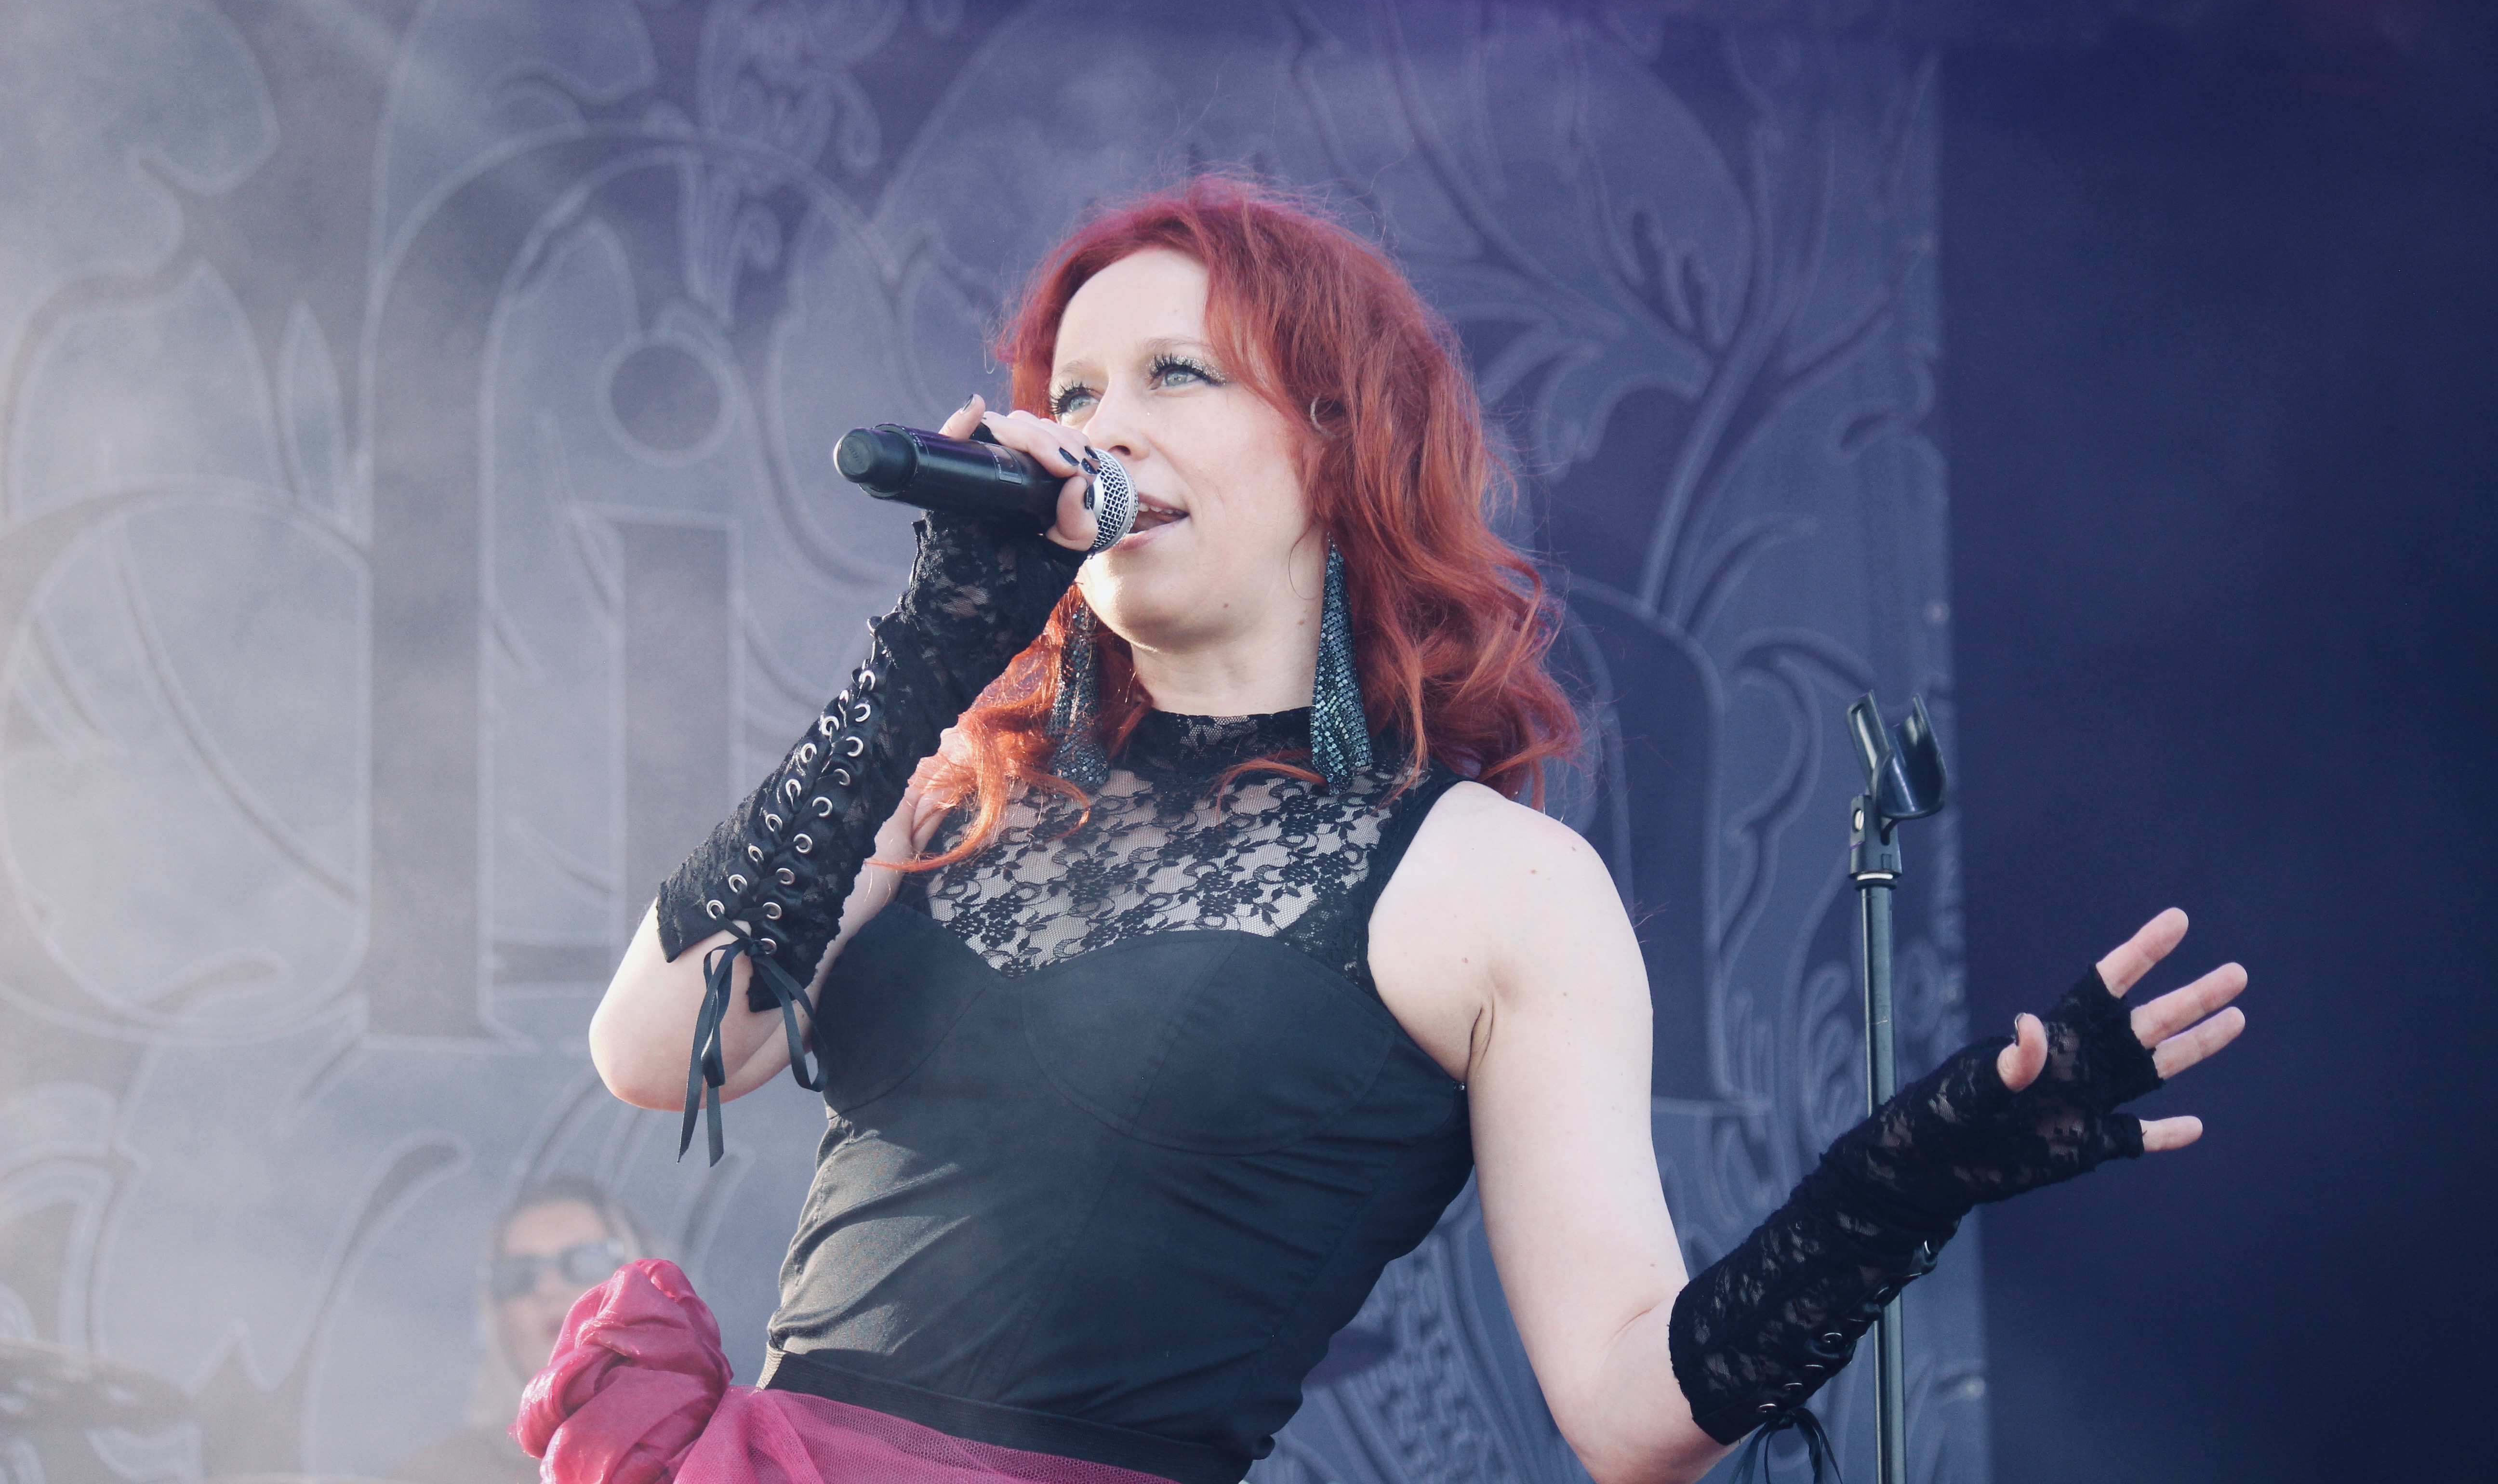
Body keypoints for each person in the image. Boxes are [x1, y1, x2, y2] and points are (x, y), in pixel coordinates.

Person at [551, 178, 2247, 1484]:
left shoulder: (1495, 884)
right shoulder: (954, 792)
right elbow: (652, 1045)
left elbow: (1628, 1409)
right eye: (1074, 386)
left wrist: (1899, 1186)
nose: (1101, 426)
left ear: (1335, 444)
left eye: (1175, 373)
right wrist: (929, 652)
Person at [394, 1176, 648, 1484]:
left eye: (584, 1261)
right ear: (498, 1316)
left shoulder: (698, 1447)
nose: (549, 1289)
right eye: (520, 1274)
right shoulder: (439, 1474)